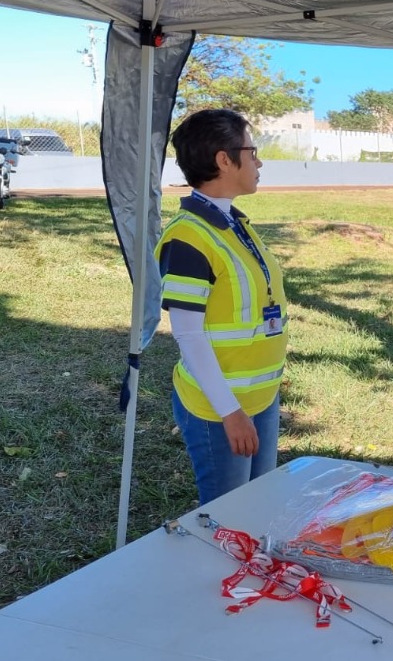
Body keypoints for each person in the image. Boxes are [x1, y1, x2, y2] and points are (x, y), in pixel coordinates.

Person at [155, 108, 287, 505]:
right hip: (221, 408)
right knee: (229, 516)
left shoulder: (233, 224)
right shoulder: (188, 238)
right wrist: (230, 412)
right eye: (252, 151)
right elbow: (188, 335)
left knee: (257, 506)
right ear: (224, 160)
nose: (259, 161)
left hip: (259, 398)